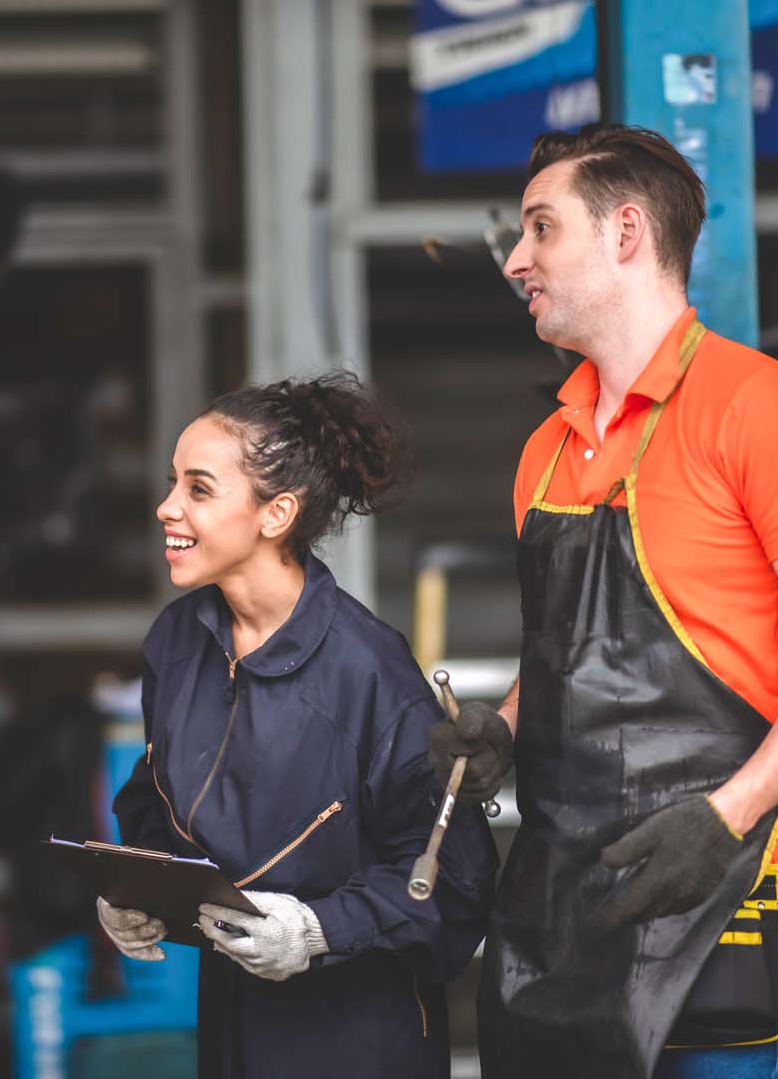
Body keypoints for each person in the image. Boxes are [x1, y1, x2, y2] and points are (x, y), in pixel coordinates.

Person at [428, 124, 778, 1078]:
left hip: (726, 922)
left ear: (626, 231)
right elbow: (575, 652)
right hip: (561, 930)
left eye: (542, 228)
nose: (517, 260)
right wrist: (506, 726)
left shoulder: (763, 409)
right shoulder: (546, 450)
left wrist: (726, 818)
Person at [106, 373, 497, 1078]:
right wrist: (140, 890)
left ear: (276, 513)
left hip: (359, 1036)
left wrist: (318, 930)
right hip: (233, 1016)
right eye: (172, 482)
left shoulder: (369, 670)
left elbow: (455, 880)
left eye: (199, 488)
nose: (167, 507)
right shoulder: (177, 641)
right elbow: (158, 800)